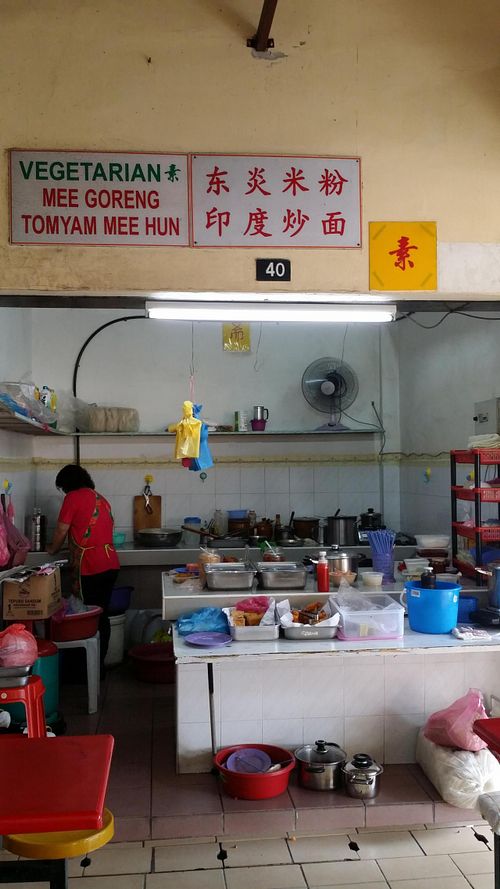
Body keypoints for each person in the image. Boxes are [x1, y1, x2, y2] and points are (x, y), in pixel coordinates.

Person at [47, 464, 120, 672]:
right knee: (101, 615)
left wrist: (52, 549)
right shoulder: (100, 498)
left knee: (86, 617)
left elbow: (61, 530)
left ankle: (85, 669)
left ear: (67, 484)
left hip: (91, 566)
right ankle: (98, 668)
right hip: (110, 563)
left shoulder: (73, 498)